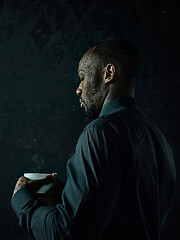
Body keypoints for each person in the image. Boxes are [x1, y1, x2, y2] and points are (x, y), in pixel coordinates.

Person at [11, 37, 176, 240]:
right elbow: (123, 213)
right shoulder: (160, 142)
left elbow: (64, 233)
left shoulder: (100, 132)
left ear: (108, 73)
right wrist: (68, 195)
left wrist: (22, 200)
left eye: (82, 77)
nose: (78, 89)